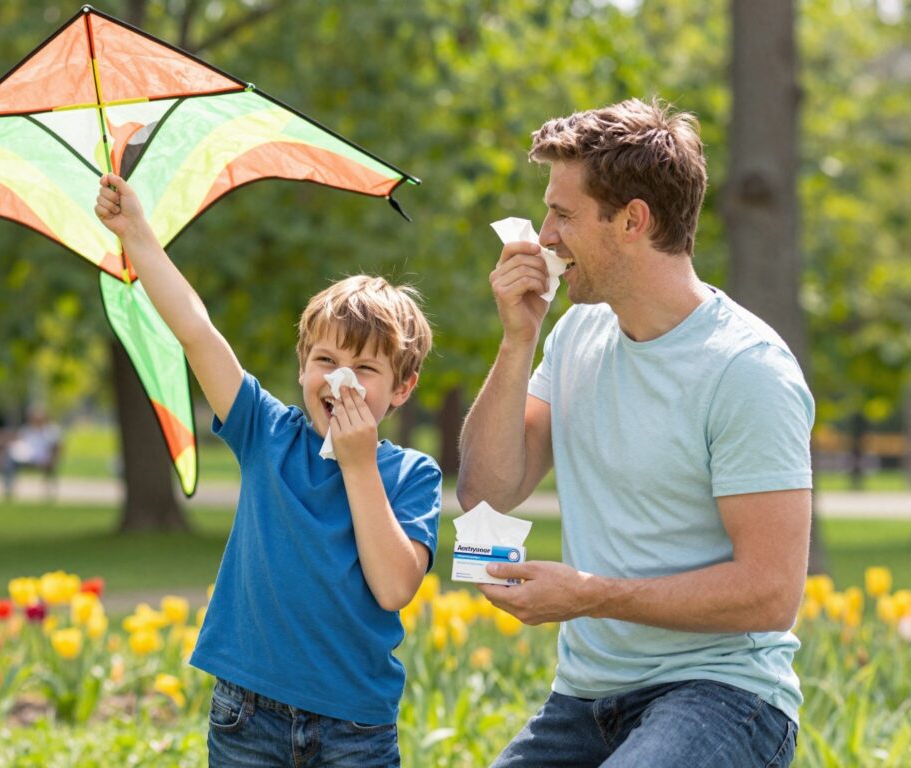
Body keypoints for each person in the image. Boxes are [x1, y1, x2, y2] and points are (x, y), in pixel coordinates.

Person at [458, 98, 813, 767]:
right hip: (585, 700)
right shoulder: (573, 336)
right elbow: (488, 489)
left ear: (632, 221)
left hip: (724, 696)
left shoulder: (746, 371)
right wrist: (518, 343)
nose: (543, 236)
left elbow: (771, 592)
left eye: (562, 214)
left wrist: (590, 594)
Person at [95, 174, 440, 768]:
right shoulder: (267, 432)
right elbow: (197, 332)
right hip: (246, 714)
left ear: (403, 388)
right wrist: (138, 234)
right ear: (302, 365)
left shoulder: (412, 474)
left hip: (355, 726)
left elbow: (393, 587)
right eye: (325, 360)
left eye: (364, 367)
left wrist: (359, 466)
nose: (340, 380)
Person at [0, 405, 60, 499]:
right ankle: (8, 488)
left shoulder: (51, 431)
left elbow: (55, 447)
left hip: (42, 458)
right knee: (8, 458)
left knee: (48, 468)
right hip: (26, 457)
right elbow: (20, 442)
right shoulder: (26, 429)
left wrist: (50, 459)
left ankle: (49, 493)